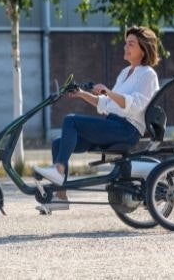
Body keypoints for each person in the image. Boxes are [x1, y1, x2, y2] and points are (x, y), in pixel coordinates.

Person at [33, 26, 160, 212]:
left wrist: (108, 90)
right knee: (58, 144)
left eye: (131, 44)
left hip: (127, 130)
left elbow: (134, 105)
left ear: (143, 49)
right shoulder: (125, 73)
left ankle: (59, 171)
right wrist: (82, 94)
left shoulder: (148, 74)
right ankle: (61, 197)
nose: (126, 47)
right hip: (113, 125)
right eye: (126, 43)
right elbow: (107, 103)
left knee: (71, 120)